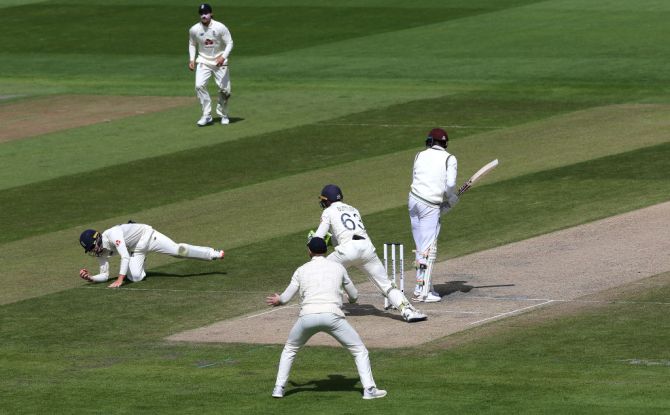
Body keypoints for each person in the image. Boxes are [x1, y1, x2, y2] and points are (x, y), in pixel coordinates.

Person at [266, 237, 387, 400]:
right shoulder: (338, 268)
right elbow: (354, 295)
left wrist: (277, 300)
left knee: (290, 349)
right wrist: (350, 300)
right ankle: (369, 389)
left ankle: (278, 389)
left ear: (309, 251)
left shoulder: (301, 270)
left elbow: (285, 298)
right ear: (326, 250)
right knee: (359, 350)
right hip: (333, 316)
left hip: (306, 317)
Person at [311, 184, 427, 322]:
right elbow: (347, 233)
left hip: (347, 250)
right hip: (366, 248)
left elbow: (318, 237)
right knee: (386, 284)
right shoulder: (353, 209)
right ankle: (407, 311)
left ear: (327, 200)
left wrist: (312, 241)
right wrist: (333, 240)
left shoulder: (328, 212)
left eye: (324, 200)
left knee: (321, 268)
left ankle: (323, 308)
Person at [78, 222, 225, 288]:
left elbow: (124, 257)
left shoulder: (112, 234)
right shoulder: (100, 251)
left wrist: (120, 280)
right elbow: (104, 275)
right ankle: (142, 260)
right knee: (135, 277)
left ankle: (212, 253)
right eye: (89, 250)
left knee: (177, 251)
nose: (93, 251)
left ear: (97, 238)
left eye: (92, 247)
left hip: (147, 237)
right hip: (135, 250)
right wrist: (91, 278)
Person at [408, 128, 459, 303]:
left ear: (430, 141)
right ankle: (423, 293)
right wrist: (450, 198)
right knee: (429, 249)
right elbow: (450, 184)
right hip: (429, 204)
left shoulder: (418, 155)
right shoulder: (449, 158)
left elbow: (418, 177)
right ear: (445, 143)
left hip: (413, 201)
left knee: (420, 246)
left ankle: (422, 286)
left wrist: (443, 204)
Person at [188, 3, 234, 126]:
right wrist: (192, 59)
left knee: (225, 90)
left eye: (206, 13)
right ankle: (206, 115)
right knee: (199, 86)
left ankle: (223, 114)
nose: (204, 15)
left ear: (211, 14)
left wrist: (223, 57)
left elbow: (230, 42)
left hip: (220, 61)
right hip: (203, 60)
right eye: (202, 13)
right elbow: (192, 44)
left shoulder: (220, 27)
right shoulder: (194, 29)